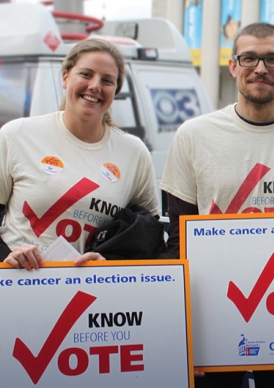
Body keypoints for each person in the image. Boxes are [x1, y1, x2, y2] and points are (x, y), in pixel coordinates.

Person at [160, 22, 274, 388]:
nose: (260, 68)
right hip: (214, 318)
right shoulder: (193, 136)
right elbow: (177, 242)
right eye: (249, 57)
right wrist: (182, 331)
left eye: (272, 59)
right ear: (233, 66)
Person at [0, 38, 159, 270]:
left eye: (107, 80)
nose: (95, 86)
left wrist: (111, 263)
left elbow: (149, 237)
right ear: (65, 77)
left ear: (116, 90)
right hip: (22, 284)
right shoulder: (17, 135)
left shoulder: (134, 153)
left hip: (91, 291)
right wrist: (8, 255)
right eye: (86, 74)